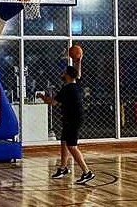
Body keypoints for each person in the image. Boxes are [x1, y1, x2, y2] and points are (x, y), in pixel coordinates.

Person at [37, 56, 95, 184]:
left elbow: (52, 102)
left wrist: (41, 96)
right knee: (64, 141)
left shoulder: (67, 89)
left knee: (72, 146)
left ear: (68, 75)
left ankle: (87, 172)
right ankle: (63, 168)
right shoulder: (76, 84)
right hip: (72, 118)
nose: (61, 74)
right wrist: (78, 61)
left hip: (73, 120)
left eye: (63, 72)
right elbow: (77, 74)